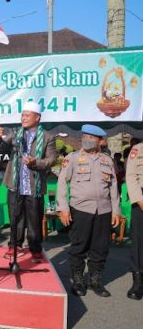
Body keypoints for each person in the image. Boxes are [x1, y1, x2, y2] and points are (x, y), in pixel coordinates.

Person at [57, 124, 120, 297]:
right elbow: (62, 183)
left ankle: (95, 281)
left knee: (100, 248)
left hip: (104, 210)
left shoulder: (107, 160)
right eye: (85, 136)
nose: (87, 140)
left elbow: (114, 187)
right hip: (81, 209)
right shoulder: (73, 158)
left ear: (100, 141)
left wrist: (116, 211)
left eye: (92, 138)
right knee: (79, 246)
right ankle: (77, 281)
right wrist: (63, 208)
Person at [0, 102, 57, 262]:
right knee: (15, 217)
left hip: (34, 185)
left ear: (37, 117)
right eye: (22, 115)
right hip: (15, 183)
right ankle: (15, 245)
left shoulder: (48, 137)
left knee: (34, 219)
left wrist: (35, 162)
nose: (23, 118)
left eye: (27, 115)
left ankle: (35, 248)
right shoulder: (15, 133)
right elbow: (2, 148)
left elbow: (52, 160)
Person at [125, 142, 143, 300]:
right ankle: (138, 282)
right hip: (141, 200)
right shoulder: (138, 149)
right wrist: (139, 199)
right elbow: (131, 176)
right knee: (138, 241)